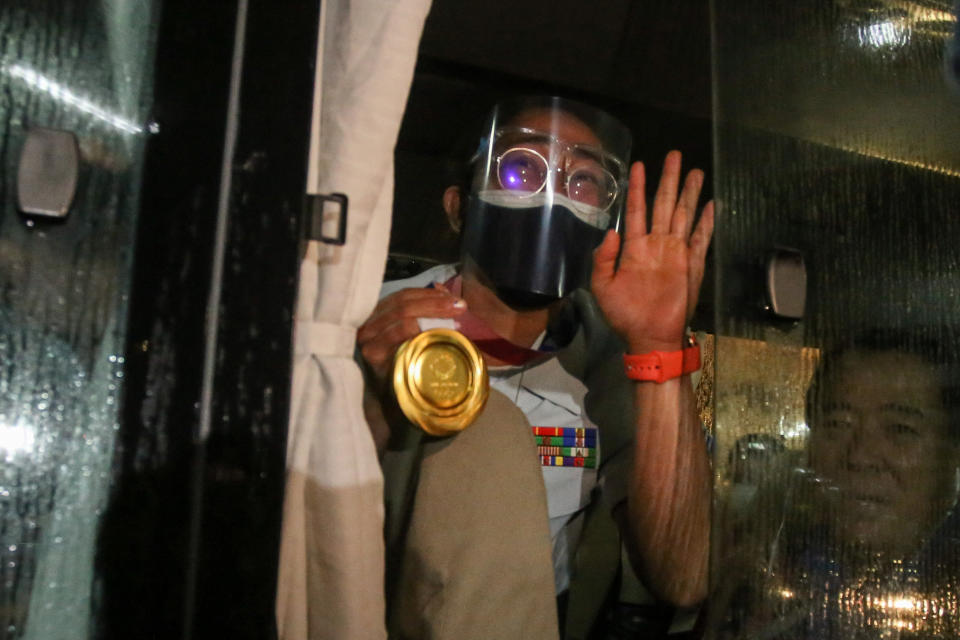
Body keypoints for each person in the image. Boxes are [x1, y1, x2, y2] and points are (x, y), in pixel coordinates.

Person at [359, 96, 714, 638]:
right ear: (459, 208)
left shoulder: (609, 359)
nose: (554, 194)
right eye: (522, 167)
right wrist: (369, 401)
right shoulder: (372, 320)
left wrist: (660, 343)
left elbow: (683, 577)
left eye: (585, 181)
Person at [712, 329, 960, 639]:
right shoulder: (786, 568)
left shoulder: (946, 592)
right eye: (838, 425)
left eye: (900, 429)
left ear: (951, 451)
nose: (859, 456)